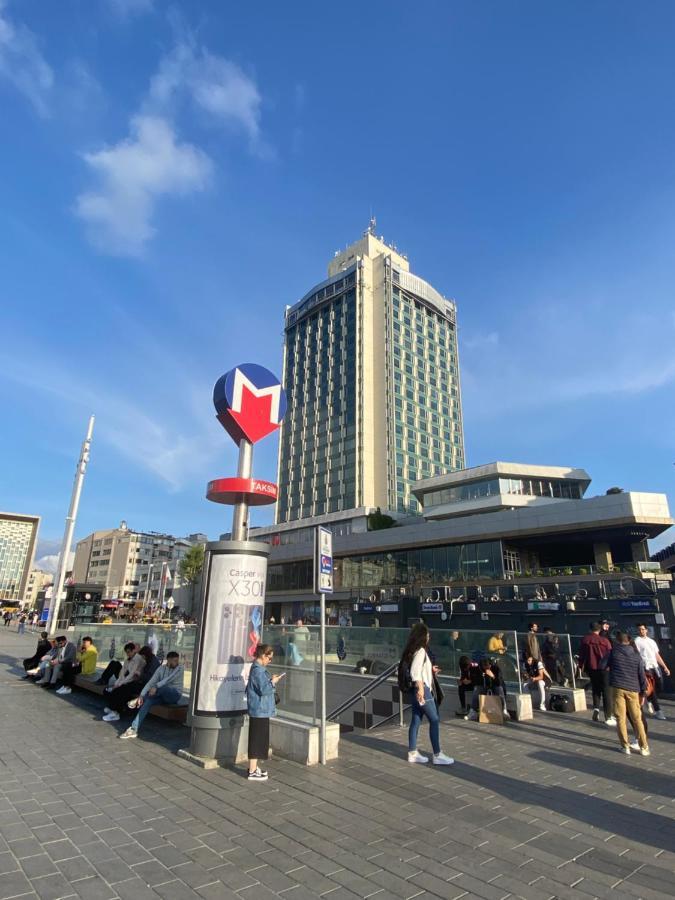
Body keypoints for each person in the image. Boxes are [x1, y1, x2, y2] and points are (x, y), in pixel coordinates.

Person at [401, 623, 454, 765]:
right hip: (422, 690)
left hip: (415, 690)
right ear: (422, 636)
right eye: (427, 634)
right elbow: (415, 672)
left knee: (416, 720)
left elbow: (416, 669)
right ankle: (437, 754)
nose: (429, 636)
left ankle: (413, 752)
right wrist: (420, 689)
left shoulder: (411, 651)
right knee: (434, 720)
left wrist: (430, 670)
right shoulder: (422, 651)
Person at [119, 652, 184, 739]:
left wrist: (156, 687)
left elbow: (168, 680)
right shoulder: (161, 668)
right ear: (168, 660)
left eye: (177, 660)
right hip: (161, 695)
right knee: (148, 702)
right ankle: (133, 729)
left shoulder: (180, 668)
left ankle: (138, 700)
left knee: (163, 688)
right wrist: (141, 695)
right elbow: (151, 682)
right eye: (174, 661)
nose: (176, 663)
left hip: (174, 695)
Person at [245, 643, 284, 781]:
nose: (270, 660)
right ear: (263, 655)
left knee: (259, 739)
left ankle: (254, 768)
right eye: (269, 658)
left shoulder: (258, 669)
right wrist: (273, 682)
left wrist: (270, 680)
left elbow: (261, 687)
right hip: (259, 710)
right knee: (256, 740)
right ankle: (252, 770)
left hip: (260, 709)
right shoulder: (257, 670)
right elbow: (264, 689)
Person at [608, 632, 649, 755]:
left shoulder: (613, 652)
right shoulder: (636, 655)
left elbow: (602, 665)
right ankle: (644, 747)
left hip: (618, 688)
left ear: (617, 640)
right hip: (633, 689)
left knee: (621, 718)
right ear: (629, 640)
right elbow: (641, 674)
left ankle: (625, 746)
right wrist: (643, 690)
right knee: (637, 719)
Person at [578, 622, 615, 725]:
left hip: (591, 668)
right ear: (599, 630)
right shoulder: (605, 641)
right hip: (604, 669)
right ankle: (608, 716)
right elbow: (610, 655)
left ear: (590, 629)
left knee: (596, 688)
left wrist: (581, 666)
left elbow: (581, 654)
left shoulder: (585, 640)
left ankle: (596, 709)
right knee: (607, 692)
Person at [101, 643, 146, 722]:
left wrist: (120, 684)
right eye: (126, 652)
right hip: (128, 681)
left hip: (137, 683)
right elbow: (122, 672)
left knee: (120, 690)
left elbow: (132, 675)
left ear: (133, 650)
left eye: (129, 652)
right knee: (107, 689)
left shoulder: (138, 659)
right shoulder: (128, 659)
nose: (128, 654)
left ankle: (115, 713)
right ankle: (112, 708)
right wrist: (117, 683)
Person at [634, 623, 670, 720]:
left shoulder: (652, 641)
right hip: (646, 667)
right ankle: (658, 710)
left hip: (655, 666)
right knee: (652, 688)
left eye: (643, 629)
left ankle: (649, 699)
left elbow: (656, 655)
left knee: (659, 685)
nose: (641, 631)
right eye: (639, 629)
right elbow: (636, 655)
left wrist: (664, 666)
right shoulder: (637, 641)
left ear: (646, 630)